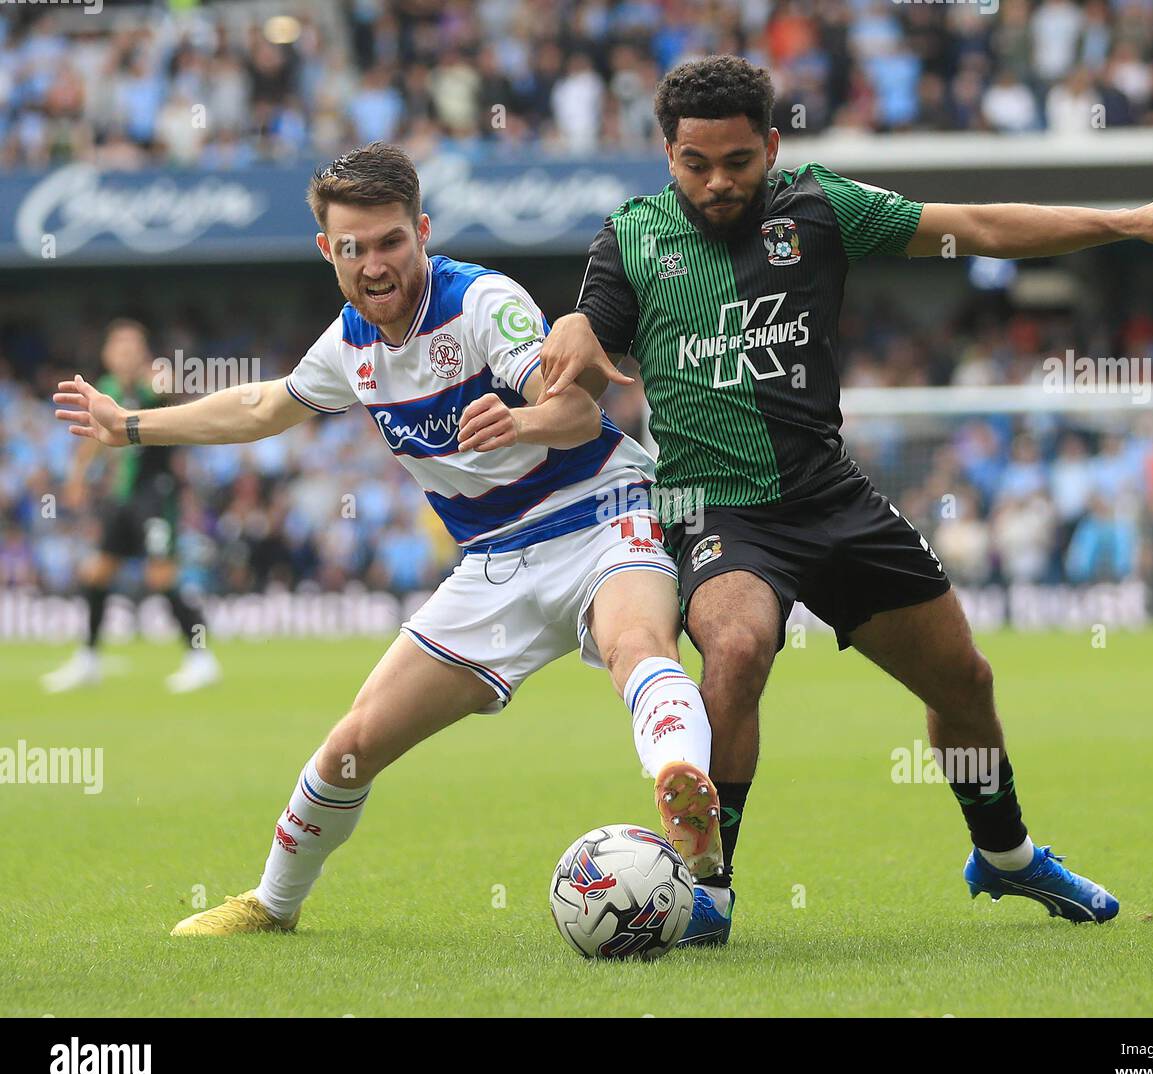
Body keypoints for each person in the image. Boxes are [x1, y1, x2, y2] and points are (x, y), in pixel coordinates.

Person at [540, 54, 1153, 944]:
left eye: (738, 162)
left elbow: (980, 224)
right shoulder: (631, 238)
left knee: (965, 679)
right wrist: (567, 332)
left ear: (773, 145)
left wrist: (1128, 222)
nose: (717, 182)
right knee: (740, 647)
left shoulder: (822, 210)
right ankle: (711, 886)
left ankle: (1006, 853)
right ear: (665, 151)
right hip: (719, 510)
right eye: (695, 163)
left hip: (833, 498)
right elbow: (585, 342)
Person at [54, 142, 722, 938]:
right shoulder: (349, 348)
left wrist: (523, 418)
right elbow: (264, 408)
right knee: (354, 743)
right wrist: (130, 425)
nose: (374, 263)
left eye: (390, 241)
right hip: (492, 565)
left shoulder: (482, 302)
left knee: (636, 644)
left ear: (423, 231)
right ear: (326, 251)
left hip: (600, 515)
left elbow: (576, 410)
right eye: (353, 247)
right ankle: (271, 904)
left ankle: (682, 781)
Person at [43, 318, 220, 695]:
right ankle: (89, 659)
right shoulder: (106, 388)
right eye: (118, 346)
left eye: (132, 346)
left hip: (156, 494)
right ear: (107, 353)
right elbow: (94, 438)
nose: (124, 352)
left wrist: (162, 378)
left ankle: (201, 658)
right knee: (96, 575)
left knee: (161, 577)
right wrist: (77, 477)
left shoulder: (154, 378)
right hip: (123, 498)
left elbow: (170, 389)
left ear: (142, 351)